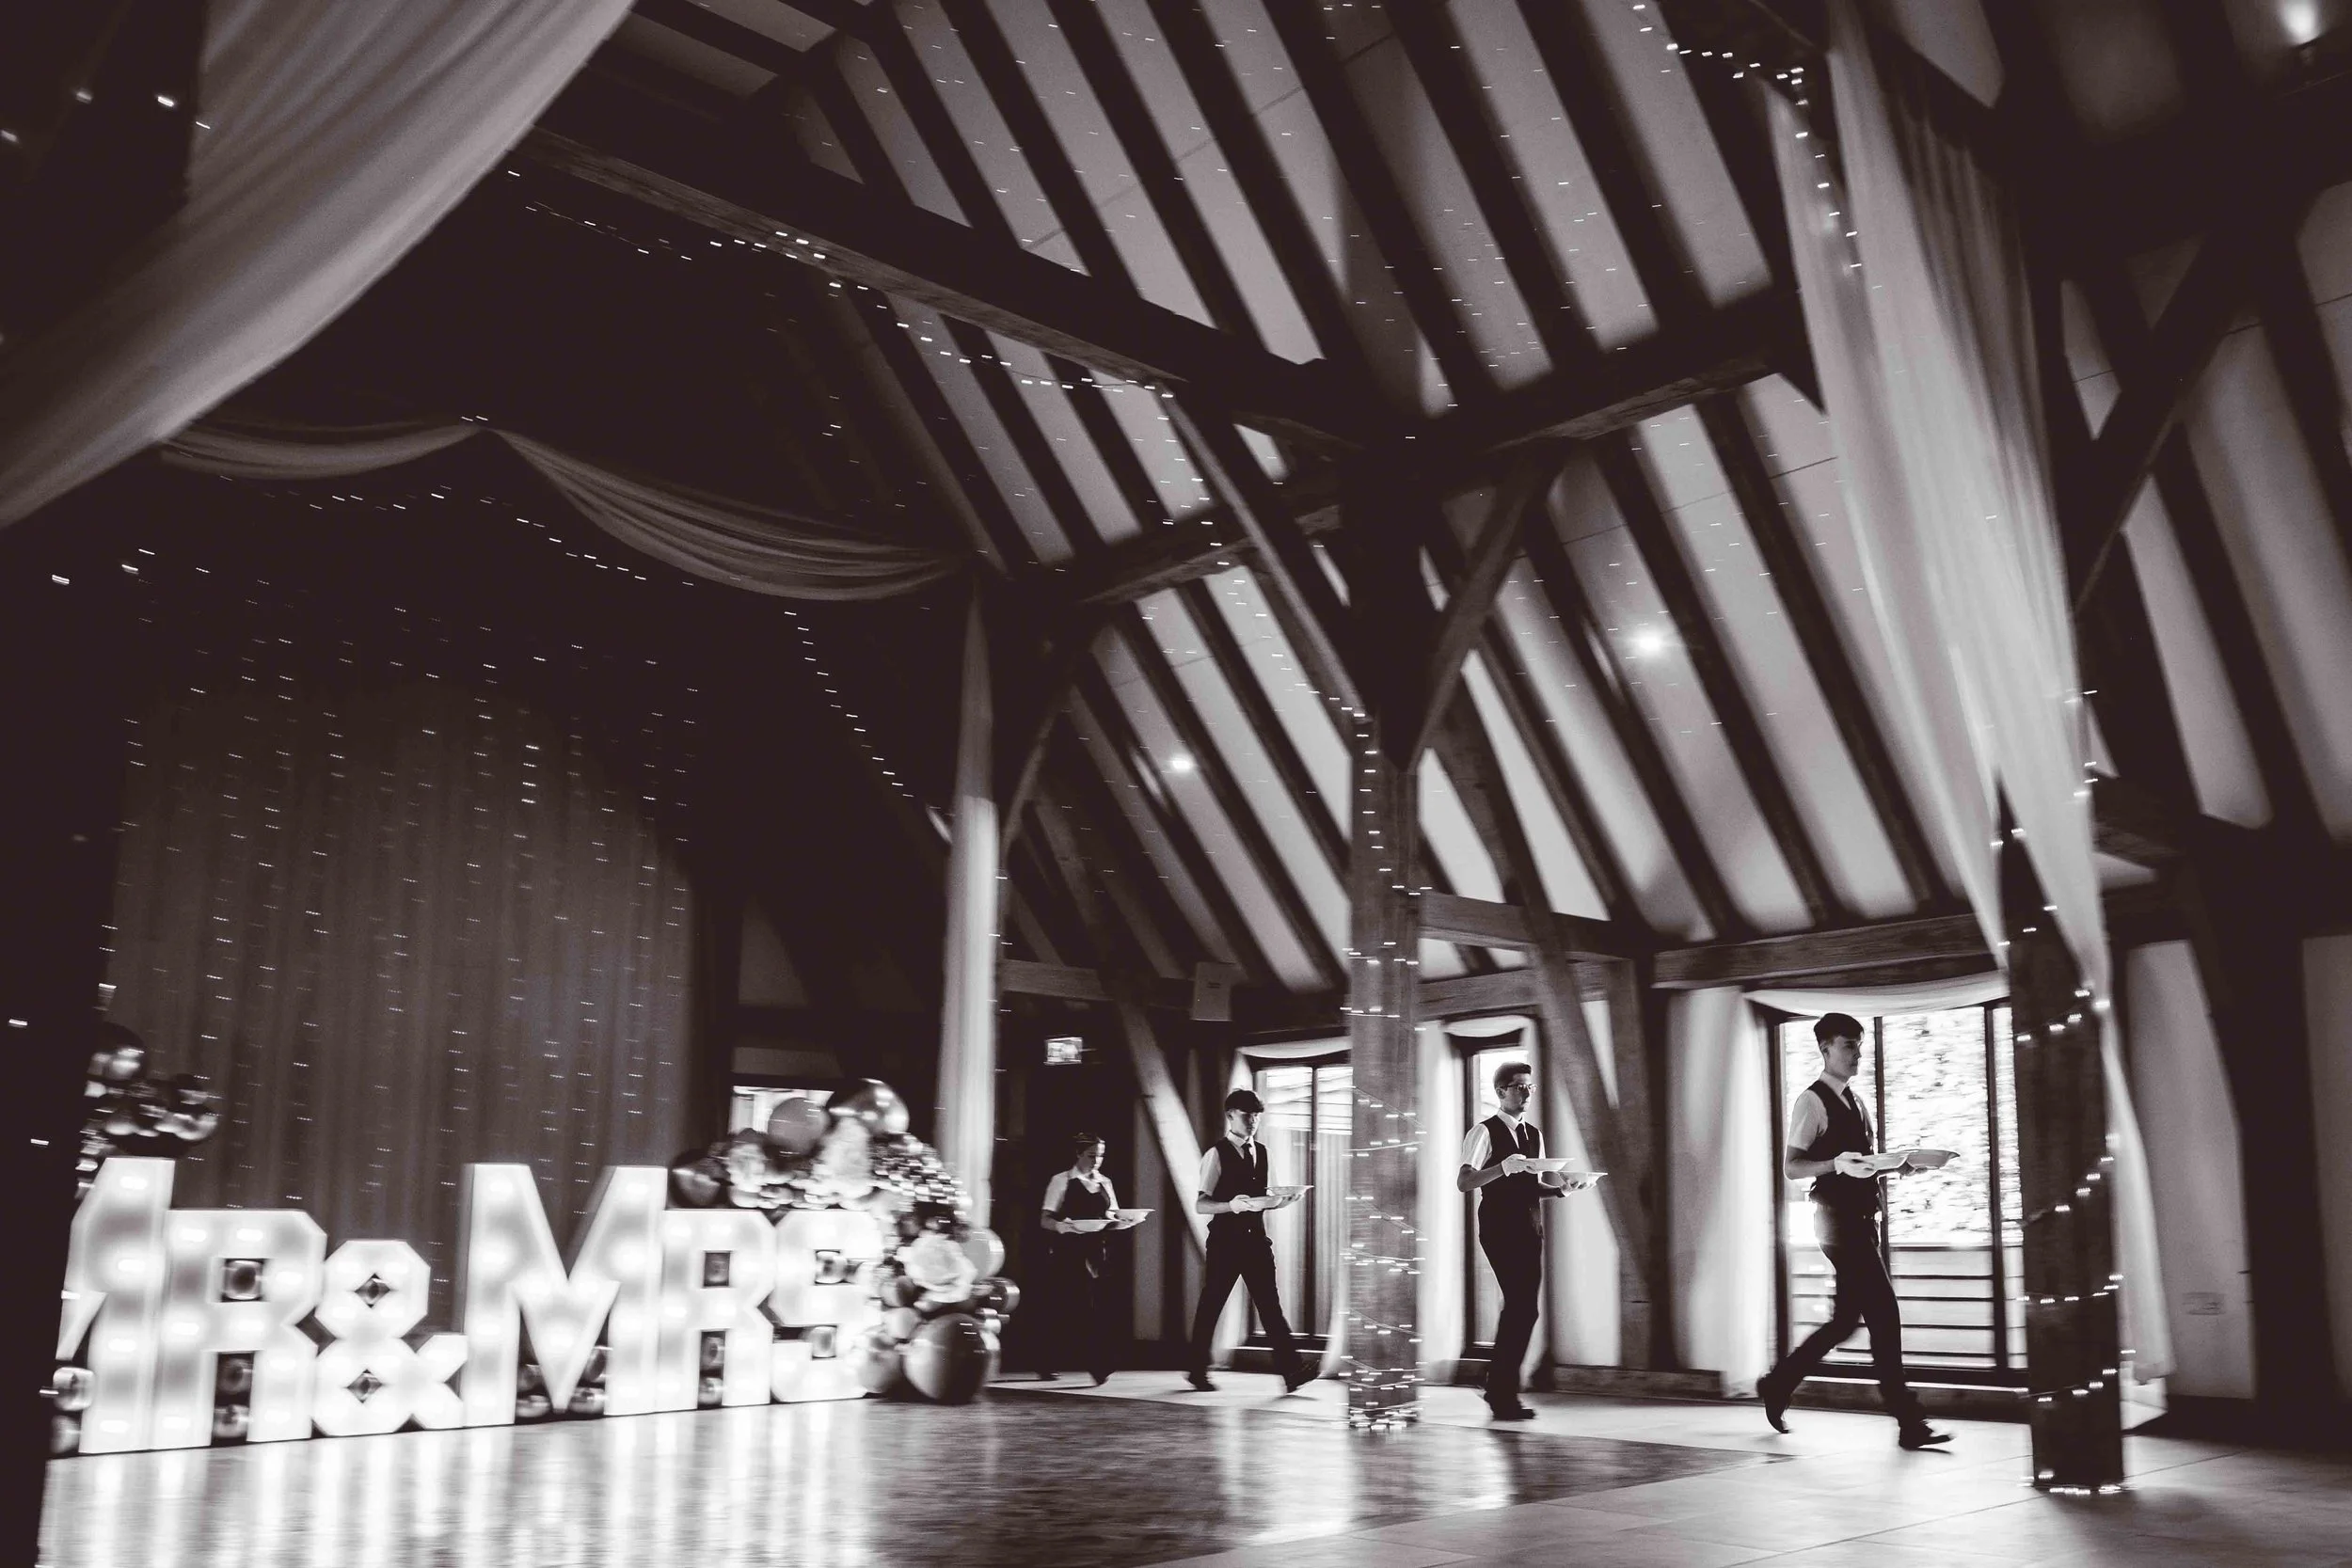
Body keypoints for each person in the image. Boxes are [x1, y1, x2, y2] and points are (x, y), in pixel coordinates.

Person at [1756, 1013, 1950, 1449]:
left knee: (1845, 1321)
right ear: (1825, 1049)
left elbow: (1864, 1165)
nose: (1857, 1053)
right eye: (1849, 1045)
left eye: (1859, 1045)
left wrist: (1901, 1167)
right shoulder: (1811, 1102)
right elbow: (1791, 1167)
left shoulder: (1855, 1101)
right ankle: (1908, 1421)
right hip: (1836, 1222)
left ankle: (1777, 1383)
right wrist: (1834, 1164)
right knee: (1884, 1316)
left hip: (1862, 1219)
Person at [1456, 1059, 1591, 1420]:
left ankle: (1498, 1385)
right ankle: (1502, 1393)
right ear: (1501, 1092)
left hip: (1530, 1226)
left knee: (1524, 1309)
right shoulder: (1482, 1132)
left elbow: (1534, 1184)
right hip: (1499, 1226)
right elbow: (1465, 1182)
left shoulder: (1534, 1134)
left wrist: (1565, 1190)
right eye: (1518, 1086)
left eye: (1530, 1087)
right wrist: (1502, 1167)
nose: (1526, 1092)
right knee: (1521, 1306)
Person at [1185, 1088, 1311, 1394]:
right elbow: (1201, 1205)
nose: (1253, 1120)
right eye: (1246, 1115)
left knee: (1270, 1307)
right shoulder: (1216, 1154)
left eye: (1256, 1115)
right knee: (1211, 1306)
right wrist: (1231, 1205)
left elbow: (1266, 1197)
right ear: (1230, 1115)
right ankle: (1196, 1370)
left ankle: (1292, 1371)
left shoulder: (1263, 1152)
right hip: (1225, 1244)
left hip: (1256, 1241)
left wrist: (1284, 1200)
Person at [1039, 1133, 1121, 1386]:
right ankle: (1049, 1362)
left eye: (1101, 1156)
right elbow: (1045, 1219)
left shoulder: (1105, 1182)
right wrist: (1064, 1227)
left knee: (1098, 1308)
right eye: (1091, 1155)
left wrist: (1123, 1221)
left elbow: (1112, 1215)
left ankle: (1100, 1365)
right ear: (1078, 1154)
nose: (1097, 1161)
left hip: (1098, 1251)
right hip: (1069, 1251)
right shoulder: (1061, 1181)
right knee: (1064, 1308)